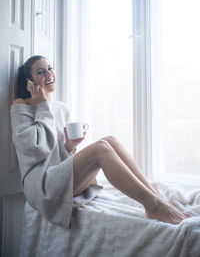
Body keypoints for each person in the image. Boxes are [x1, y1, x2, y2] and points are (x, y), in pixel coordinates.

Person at [11, 55, 189, 228]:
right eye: (41, 72)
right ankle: (152, 205)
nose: (49, 75)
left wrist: (69, 147)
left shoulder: (61, 108)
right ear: (29, 82)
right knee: (100, 148)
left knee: (110, 140)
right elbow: (35, 150)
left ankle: (156, 196)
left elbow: (57, 154)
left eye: (50, 69)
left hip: (58, 176)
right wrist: (43, 107)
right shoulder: (22, 105)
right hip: (41, 185)